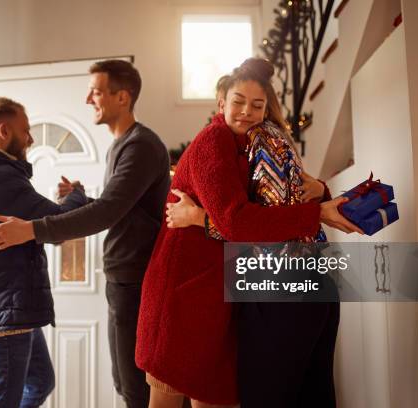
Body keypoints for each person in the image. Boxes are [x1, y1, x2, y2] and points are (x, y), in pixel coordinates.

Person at [135, 58, 362, 408]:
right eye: (238, 101)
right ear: (221, 102)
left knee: (217, 395)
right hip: (185, 294)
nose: (246, 112)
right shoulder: (213, 141)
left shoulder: (260, 142)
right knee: (170, 395)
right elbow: (237, 223)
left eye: (257, 105)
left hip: (225, 291)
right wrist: (316, 213)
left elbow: (283, 196)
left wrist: (320, 191)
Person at [0, 60, 171, 408]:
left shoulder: (140, 145)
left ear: (123, 97)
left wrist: (32, 230)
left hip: (138, 281)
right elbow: (123, 209)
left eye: (96, 91)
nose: (88, 99)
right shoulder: (121, 146)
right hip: (124, 280)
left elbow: (108, 212)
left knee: (136, 389)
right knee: (124, 381)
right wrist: (82, 198)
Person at [0, 97, 88, 407]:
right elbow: (60, 227)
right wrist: (77, 194)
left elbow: (44, 221)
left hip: (5, 305)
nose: (31, 139)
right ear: (4, 130)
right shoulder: (1, 178)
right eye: (26, 130)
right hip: (4, 307)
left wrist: (63, 205)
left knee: (40, 381)